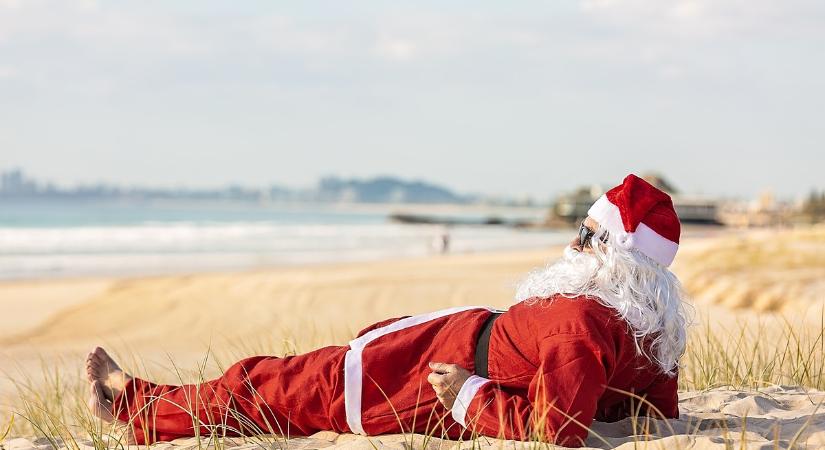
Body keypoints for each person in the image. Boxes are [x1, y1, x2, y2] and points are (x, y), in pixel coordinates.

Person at [86, 174, 688, 448]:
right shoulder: (651, 324)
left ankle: (134, 404)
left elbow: (554, 430)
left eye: (586, 236)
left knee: (278, 385)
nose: (572, 246)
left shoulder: (578, 323)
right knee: (297, 379)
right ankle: (144, 403)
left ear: (613, 254)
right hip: (447, 345)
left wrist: (466, 395)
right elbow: (655, 413)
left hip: (432, 374)